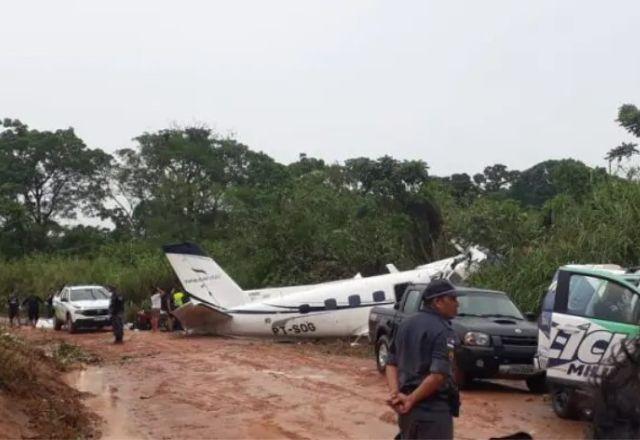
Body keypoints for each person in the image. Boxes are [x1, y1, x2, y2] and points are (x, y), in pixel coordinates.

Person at [385, 279, 461, 440]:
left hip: (407, 412)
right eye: (452, 299)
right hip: (432, 411)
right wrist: (410, 400)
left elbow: (391, 363)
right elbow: (438, 375)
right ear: (438, 301)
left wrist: (395, 395)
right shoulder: (444, 331)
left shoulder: (405, 324)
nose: (457, 304)